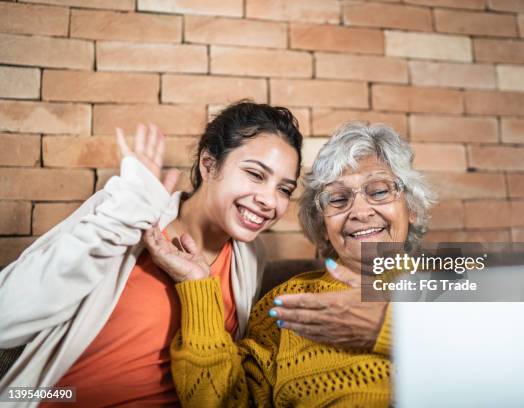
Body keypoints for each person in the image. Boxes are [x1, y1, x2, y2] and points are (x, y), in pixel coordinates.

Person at [0, 101, 303, 406]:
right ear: (209, 165)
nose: (270, 200)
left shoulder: (249, 257)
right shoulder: (127, 213)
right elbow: (6, 317)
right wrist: (124, 211)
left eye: (284, 189)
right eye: (255, 174)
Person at [148, 122, 435, 406]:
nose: (360, 212)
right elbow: (222, 402)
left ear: (410, 208)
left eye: (380, 191)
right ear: (323, 225)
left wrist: (388, 327)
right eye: (337, 199)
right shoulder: (287, 303)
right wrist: (198, 287)